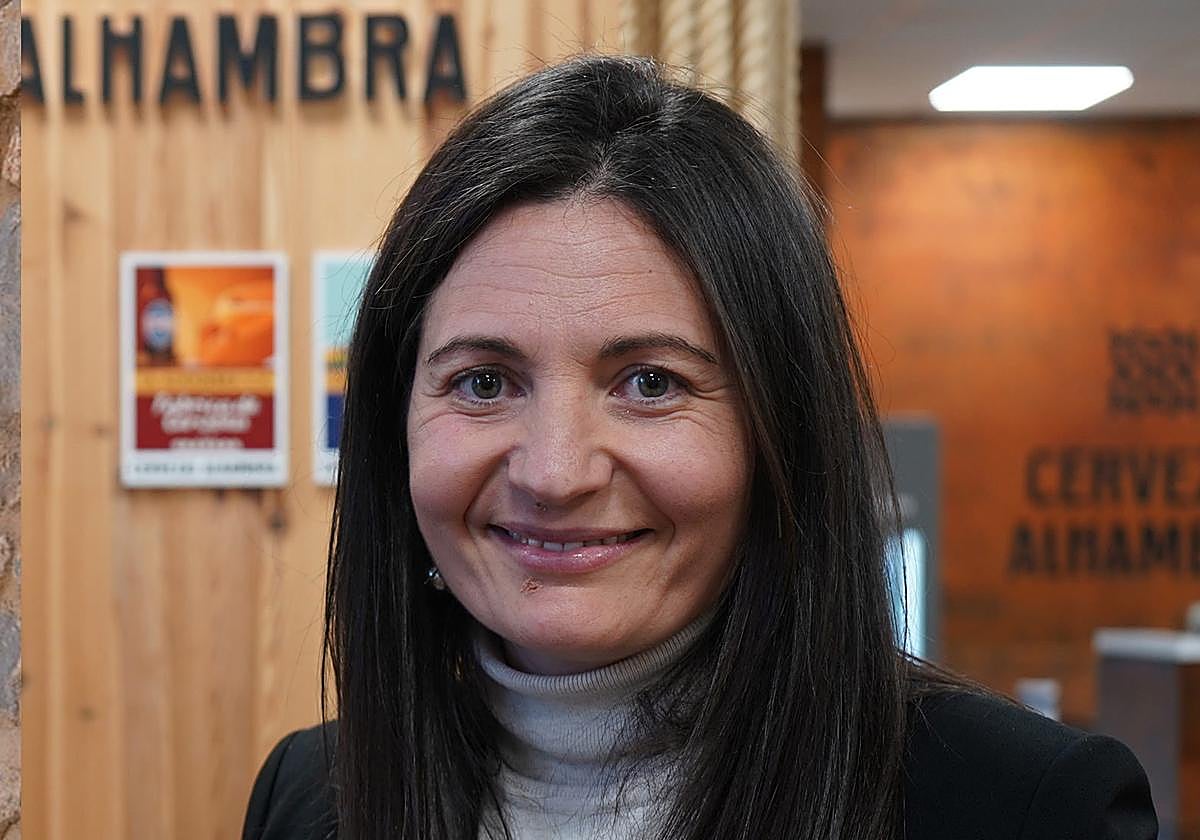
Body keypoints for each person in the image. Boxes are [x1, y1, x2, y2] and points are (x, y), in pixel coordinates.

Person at [243, 55, 1157, 840]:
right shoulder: (312, 797)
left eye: (650, 383)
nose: (555, 472)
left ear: (778, 430)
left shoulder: (1019, 808)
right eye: (485, 382)